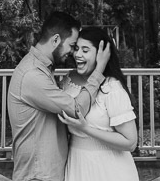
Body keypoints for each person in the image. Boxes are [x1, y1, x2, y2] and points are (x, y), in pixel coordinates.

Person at [8, 11, 111, 181]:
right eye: (72, 45)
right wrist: (98, 71)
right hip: (38, 176)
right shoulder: (33, 75)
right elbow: (76, 110)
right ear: (55, 40)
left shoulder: (41, 68)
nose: (72, 53)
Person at [57, 27, 139, 181]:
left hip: (110, 168)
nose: (77, 54)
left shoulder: (112, 88)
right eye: (76, 49)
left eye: (85, 50)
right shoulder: (68, 81)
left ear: (101, 55)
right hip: (77, 164)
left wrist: (86, 129)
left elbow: (130, 142)